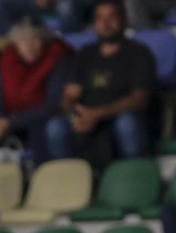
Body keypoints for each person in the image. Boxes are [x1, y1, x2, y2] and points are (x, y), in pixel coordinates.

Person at [45, 0, 155, 169]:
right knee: (56, 127)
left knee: (127, 124)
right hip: (87, 118)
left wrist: (97, 114)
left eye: (112, 17)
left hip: (119, 117)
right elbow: (68, 99)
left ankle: (135, 176)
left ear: (124, 20)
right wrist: (74, 112)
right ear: (94, 23)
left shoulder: (139, 53)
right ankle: (68, 181)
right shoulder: (84, 54)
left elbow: (140, 99)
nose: (106, 24)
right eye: (100, 19)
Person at [0, 16, 70, 163]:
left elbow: (52, 104)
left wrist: (12, 122)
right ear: (16, 44)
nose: (29, 46)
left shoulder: (56, 58)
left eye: (35, 40)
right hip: (10, 119)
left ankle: (43, 177)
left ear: (44, 41)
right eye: (23, 41)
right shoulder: (7, 60)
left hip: (40, 118)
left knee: (41, 128)